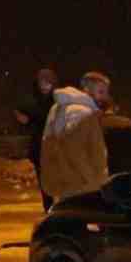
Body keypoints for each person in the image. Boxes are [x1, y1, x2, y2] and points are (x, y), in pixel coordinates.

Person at [39, 71, 111, 204]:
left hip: (62, 184)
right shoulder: (83, 113)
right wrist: (93, 183)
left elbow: (48, 146)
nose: (105, 97)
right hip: (81, 187)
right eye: (101, 92)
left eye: (106, 92)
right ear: (87, 90)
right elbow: (75, 151)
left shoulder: (58, 108)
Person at [13, 68, 57, 210]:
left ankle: (61, 209)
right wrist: (23, 120)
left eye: (48, 83)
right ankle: (49, 210)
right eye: (42, 83)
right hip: (39, 148)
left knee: (59, 181)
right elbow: (26, 119)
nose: (45, 86)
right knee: (44, 183)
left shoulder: (58, 101)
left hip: (56, 148)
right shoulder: (32, 101)